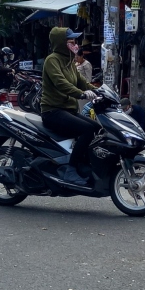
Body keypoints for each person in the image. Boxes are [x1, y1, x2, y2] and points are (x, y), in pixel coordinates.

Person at [41, 26, 97, 185]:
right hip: (53, 111)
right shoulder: (52, 60)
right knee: (87, 130)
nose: (74, 44)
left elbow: (81, 81)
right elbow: (60, 83)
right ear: (61, 43)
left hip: (69, 110)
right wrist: (81, 94)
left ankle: (84, 165)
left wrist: (98, 91)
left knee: (97, 128)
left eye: (74, 41)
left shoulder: (70, 61)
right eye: (70, 41)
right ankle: (71, 170)